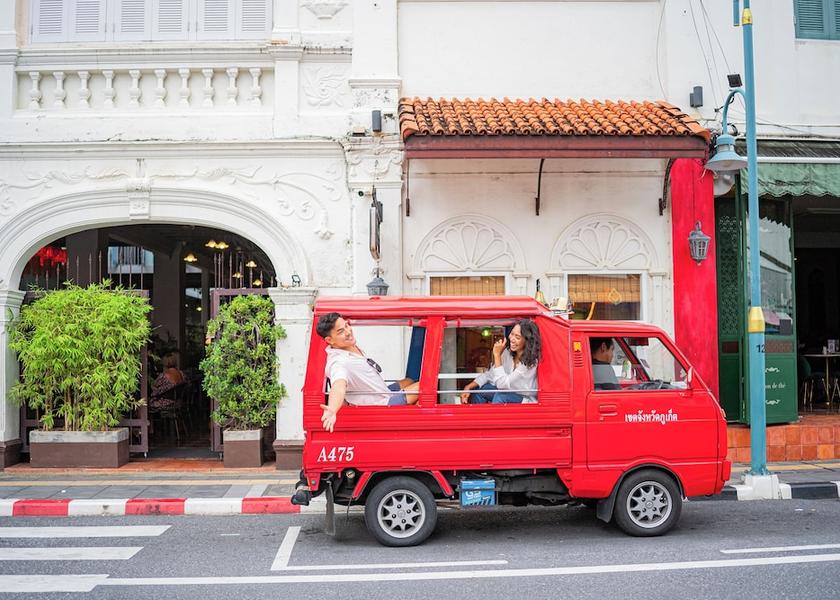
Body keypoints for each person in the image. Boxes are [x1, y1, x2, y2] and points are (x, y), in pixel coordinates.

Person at [318, 312, 419, 432]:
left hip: (382, 392)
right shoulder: (339, 363)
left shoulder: (349, 347)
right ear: (330, 340)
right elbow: (338, 385)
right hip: (381, 404)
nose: (348, 332)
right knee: (423, 386)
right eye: (340, 331)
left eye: (346, 325)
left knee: (409, 380)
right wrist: (332, 409)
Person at [460, 319, 541, 404]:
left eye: (517, 337)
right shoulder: (508, 353)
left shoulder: (530, 363)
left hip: (524, 399)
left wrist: (497, 355)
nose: (512, 339)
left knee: (500, 396)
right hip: (506, 392)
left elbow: (502, 384)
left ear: (527, 341)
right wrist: (468, 387)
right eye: (512, 334)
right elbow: (490, 374)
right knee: (480, 391)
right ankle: (478, 413)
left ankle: (494, 413)